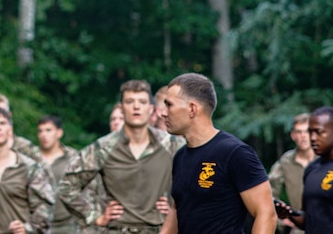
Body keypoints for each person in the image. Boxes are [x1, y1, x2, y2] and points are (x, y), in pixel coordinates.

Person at [60, 80, 183, 233]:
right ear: (122, 108)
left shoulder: (171, 145)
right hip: (118, 229)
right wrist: (96, 216)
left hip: (158, 229)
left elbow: (200, 180)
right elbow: (67, 186)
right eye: (129, 101)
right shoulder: (104, 148)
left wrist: (176, 207)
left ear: (151, 109)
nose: (136, 107)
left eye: (142, 102)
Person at [163, 73, 275, 233]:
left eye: (169, 105)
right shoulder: (180, 156)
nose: (163, 113)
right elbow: (177, 209)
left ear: (192, 109)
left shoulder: (235, 153)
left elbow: (266, 214)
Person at [0, 106, 54, 233]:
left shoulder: (29, 168)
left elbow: (45, 207)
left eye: (2, 123)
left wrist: (27, 228)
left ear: (10, 131)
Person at [268, 113, 313, 233]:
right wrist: (280, 220)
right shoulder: (285, 162)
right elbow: (268, 193)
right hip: (298, 227)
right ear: (293, 135)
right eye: (299, 132)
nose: (303, 136)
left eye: (307, 131)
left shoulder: (325, 160)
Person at [37, 115, 80, 234]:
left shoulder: (73, 158)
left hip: (68, 224)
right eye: (40, 131)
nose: (44, 135)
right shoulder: (31, 159)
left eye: (48, 130)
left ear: (59, 133)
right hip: (38, 225)